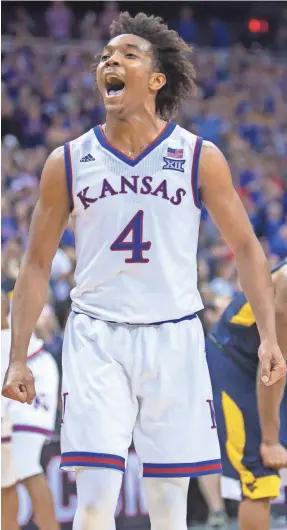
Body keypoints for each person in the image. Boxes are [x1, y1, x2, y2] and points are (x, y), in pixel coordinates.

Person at [2, 12, 286, 530]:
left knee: (169, 505)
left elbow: (246, 247)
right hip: (95, 335)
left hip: (174, 336)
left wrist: (269, 336)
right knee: (93, 502)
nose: (111, 60)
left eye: (128, 54)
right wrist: (17, 356)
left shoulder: (199, 156)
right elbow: (37, 262)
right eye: (106, 56)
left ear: (157, 79)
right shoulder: (66, 161)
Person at [206, 259, 287, 530]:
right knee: (260, 472)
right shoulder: (285, 284)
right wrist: (270, 439)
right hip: (239, 360)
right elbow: (273, 367)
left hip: (274, 362)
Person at [1, 292, 59, 530]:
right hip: (12, 385)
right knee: (4, 475)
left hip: (35, 374)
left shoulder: (5, 338)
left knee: (25, 463)